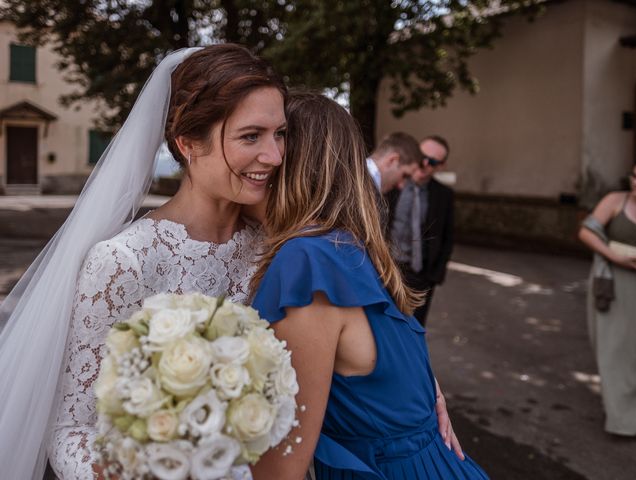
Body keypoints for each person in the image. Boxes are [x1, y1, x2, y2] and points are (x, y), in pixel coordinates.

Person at [0, 44, 286, 480]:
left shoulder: (278, 246)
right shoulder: (124, 261)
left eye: (279, 133)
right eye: (251, 136)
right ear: (189, 144)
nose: (275, 156)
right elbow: (71, 428)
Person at [249, 92, 488, 480]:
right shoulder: (351, 244)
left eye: (271, 140)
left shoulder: (307, 261)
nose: (263, 157)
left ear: (287, 161)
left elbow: (282, 466)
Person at [578, 160, 636, 436]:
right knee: (615, 349)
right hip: (613, 282)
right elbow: (586, 232)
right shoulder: (615, 200)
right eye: (635, 177)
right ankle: (622, 419)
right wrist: (617, 258)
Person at [387, 135, 454, 325]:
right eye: (421, 156)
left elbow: (447, 238)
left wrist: (435, 275)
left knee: (413, 329)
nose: (424, 163)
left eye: (432, 162)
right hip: (385, 269)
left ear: (441, 166)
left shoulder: (444, 195)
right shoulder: (390, 185)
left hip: (420, 275)